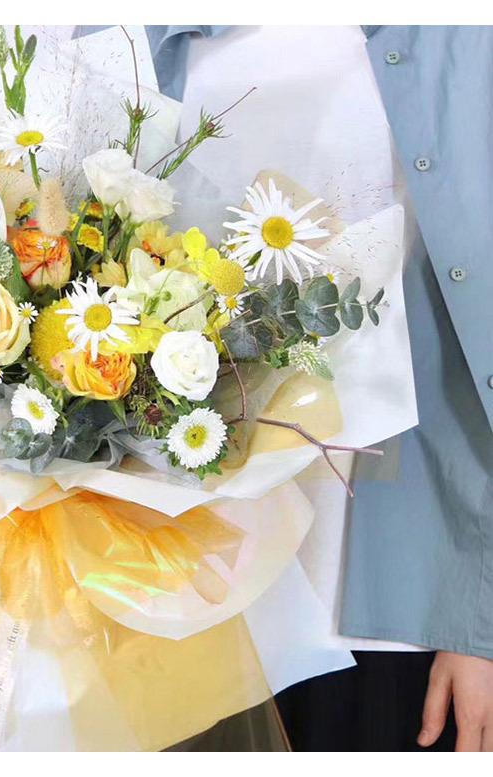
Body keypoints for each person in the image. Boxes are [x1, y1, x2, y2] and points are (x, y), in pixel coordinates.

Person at [75, 25, 493, 751]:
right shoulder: (129, 35)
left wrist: (478, 617)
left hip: (389, 591)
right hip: (183, 577)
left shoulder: (457, 36)